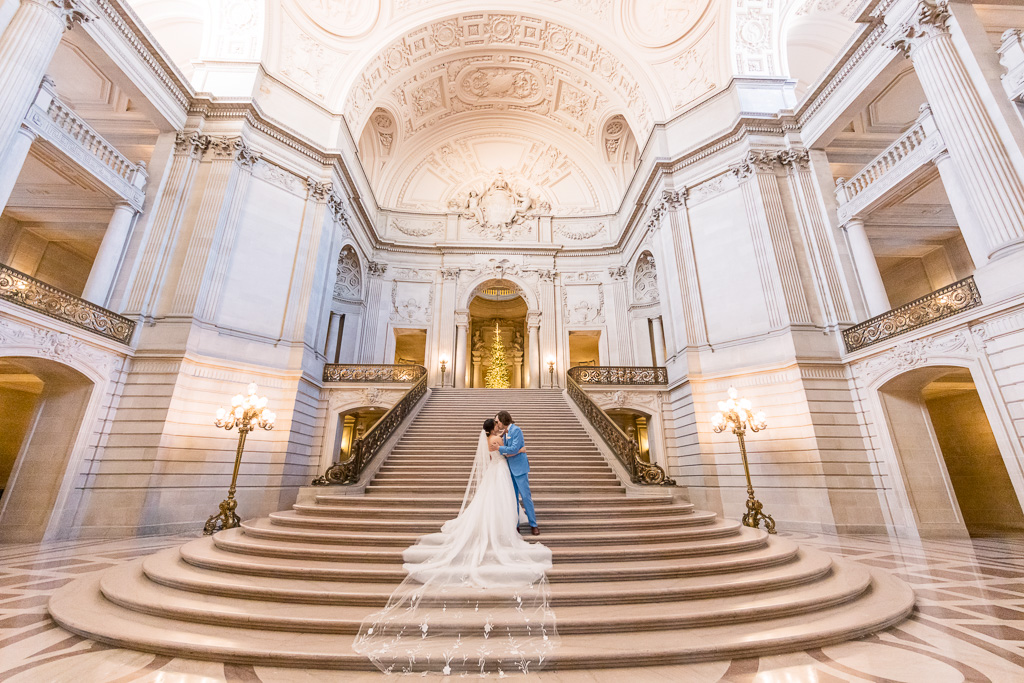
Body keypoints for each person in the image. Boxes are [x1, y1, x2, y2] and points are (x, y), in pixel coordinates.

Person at [352, 418, 557, 675]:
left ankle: (509, 524)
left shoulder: (497, 434)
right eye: (496, 424)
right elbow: (503, 449)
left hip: (501, 474)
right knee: (499, 503)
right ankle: (504, 528)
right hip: (500, 473)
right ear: (493, 428)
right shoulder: (494, 439)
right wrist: (519, 449)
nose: (498, 426)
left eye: (499, 422)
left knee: (502, 503)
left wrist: (512, 444)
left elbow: (505, 445)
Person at [496, 410, 539, 535]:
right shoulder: (505, 433)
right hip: (509, 469)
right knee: (513, 498)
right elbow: (512, 450)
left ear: (503, 420)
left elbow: (514, 448)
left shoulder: (516, 430)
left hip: (519, 469)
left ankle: (534, 524)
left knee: (526, 497)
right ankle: (516, 525)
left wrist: (500, 449)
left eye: (497, 421)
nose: (497, 424)